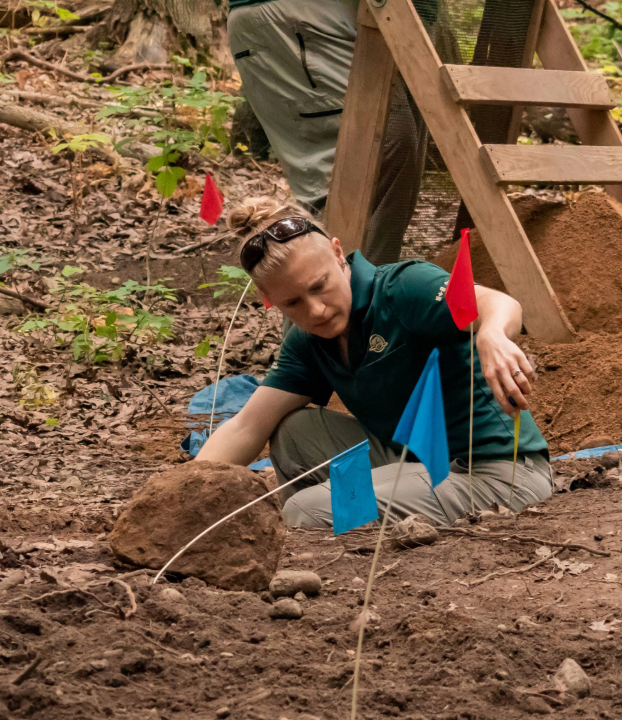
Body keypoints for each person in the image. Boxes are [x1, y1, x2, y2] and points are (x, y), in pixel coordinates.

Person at [196, 197, 553, 527]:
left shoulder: (402, 288)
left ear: (338, 253)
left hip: (496, 473)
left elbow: (500, 304)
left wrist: (491, 334)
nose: (315, 310)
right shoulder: (307, 340)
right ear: (268, 299)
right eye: (293, 303)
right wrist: (183, 492)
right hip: (414, 462)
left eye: (320, 286)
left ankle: (316, 533)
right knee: (293, 432)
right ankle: (323, 538)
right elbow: (248, 426)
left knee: (305, 510)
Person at [226, 0, 428, 265]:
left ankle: (364, 291)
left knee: (394, 161)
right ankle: (349, 295)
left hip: (349, 16)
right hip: (297, 17)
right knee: (368, 161)